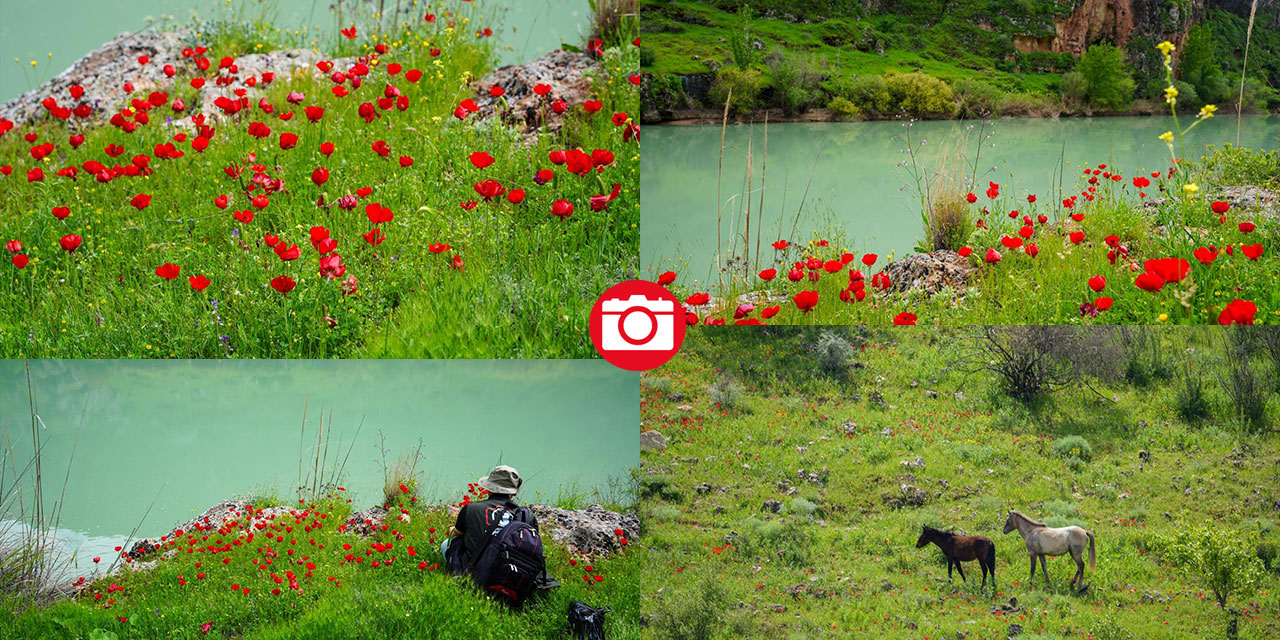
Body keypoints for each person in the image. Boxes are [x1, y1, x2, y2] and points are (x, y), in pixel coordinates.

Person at [441, 465, 558, 601]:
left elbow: (457, 535)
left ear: (488, 489)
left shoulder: (471, 509)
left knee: (448, 543)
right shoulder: (527, 516)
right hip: (511, 576)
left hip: (477, 574)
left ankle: (459, 576)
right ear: (513, 493)